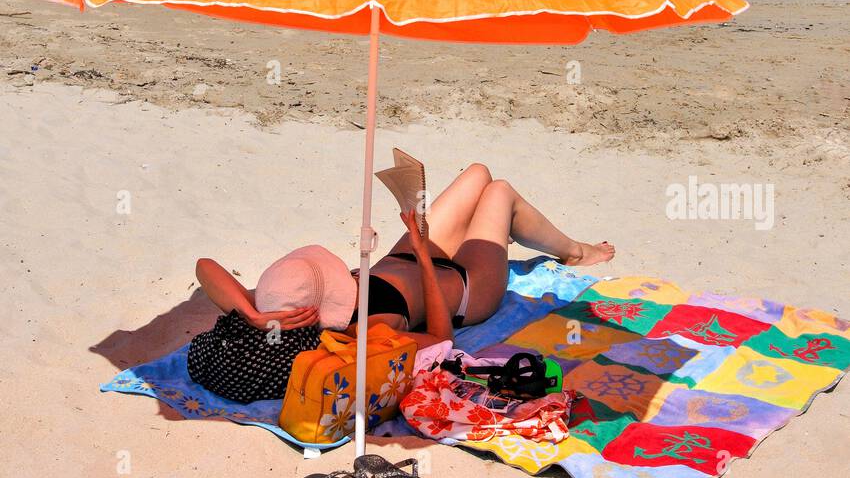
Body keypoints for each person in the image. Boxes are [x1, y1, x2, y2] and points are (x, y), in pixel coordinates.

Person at [195, 162, 615, 352]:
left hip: (410, 254)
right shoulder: (365, 332)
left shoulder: (276, 305)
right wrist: (424, 257)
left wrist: (252, 314)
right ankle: (575, 252)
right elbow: (439, 339)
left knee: (477, 173)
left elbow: (205, 267)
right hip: (466, 288)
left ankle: (561, 246)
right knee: (499, 190)